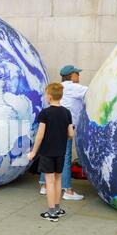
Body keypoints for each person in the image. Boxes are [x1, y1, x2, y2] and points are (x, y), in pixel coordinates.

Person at [39, 65, 88, 200]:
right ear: (72, 75)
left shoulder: (57, 87)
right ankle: (68, 191)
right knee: (65, 157)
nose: (79, 76)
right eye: (77, 73)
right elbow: (93, 93)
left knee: (48, 154)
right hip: (65, 126)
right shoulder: (74, 87)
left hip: (51, 125)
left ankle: (44, 186)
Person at [28, 83, 74, 222]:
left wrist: (33, 152)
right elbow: (71, 134)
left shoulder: (45, 113)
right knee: (58, 179)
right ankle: (58, 208)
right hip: (61, 152)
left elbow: (40, 135)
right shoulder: (67, 112)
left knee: (49, 181)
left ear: (49, 96)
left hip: (47, 152)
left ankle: (51, 212)